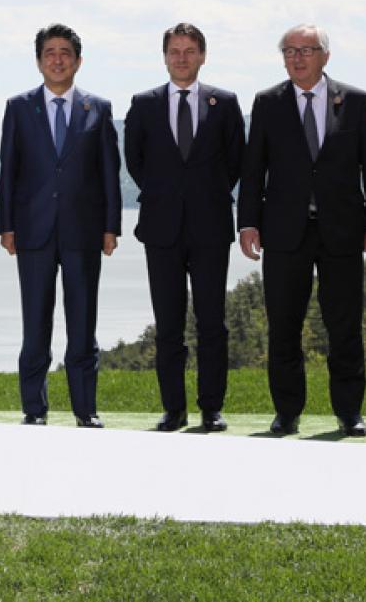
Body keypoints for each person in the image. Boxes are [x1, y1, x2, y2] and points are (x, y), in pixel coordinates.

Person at [238, 24, 366, 437]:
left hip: (342, 229)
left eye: (306, 50)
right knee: (284, 325)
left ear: (325, 55)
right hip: (284, 232)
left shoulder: (354, 101)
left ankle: (349, 412)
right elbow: (253, 170)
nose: (297, 57)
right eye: (289, 50)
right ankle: (287, 411)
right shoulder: (268, 103)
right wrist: (248, 222)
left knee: (344, 325)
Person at [0, 23, 121, 427]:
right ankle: (34, 410)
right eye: (49, 52)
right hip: (32, 232)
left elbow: (109, 173)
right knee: (35, 327)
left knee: (83, 326)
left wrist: (110, 227)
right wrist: (6, 226)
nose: (57, 59)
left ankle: (86, 410)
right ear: (38, 61)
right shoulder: (18, 107)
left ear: (78, 61)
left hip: (84, 233)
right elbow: (8, 171)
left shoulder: (98, 109)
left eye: (65, 52)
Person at [124, 23, 245, 433]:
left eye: (190, 50)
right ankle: (173, 409)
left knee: (213, 322)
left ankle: (212, 408)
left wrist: (203, 195)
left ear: (202, 56)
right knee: (169, 324)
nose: (182, 57)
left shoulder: (225, 103)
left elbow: (235, 162)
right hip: (161, 229)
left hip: (211, 227)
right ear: (164, 56)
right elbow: (136, 162)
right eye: (174, 51)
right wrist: (167, 195)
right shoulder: (143, 104)